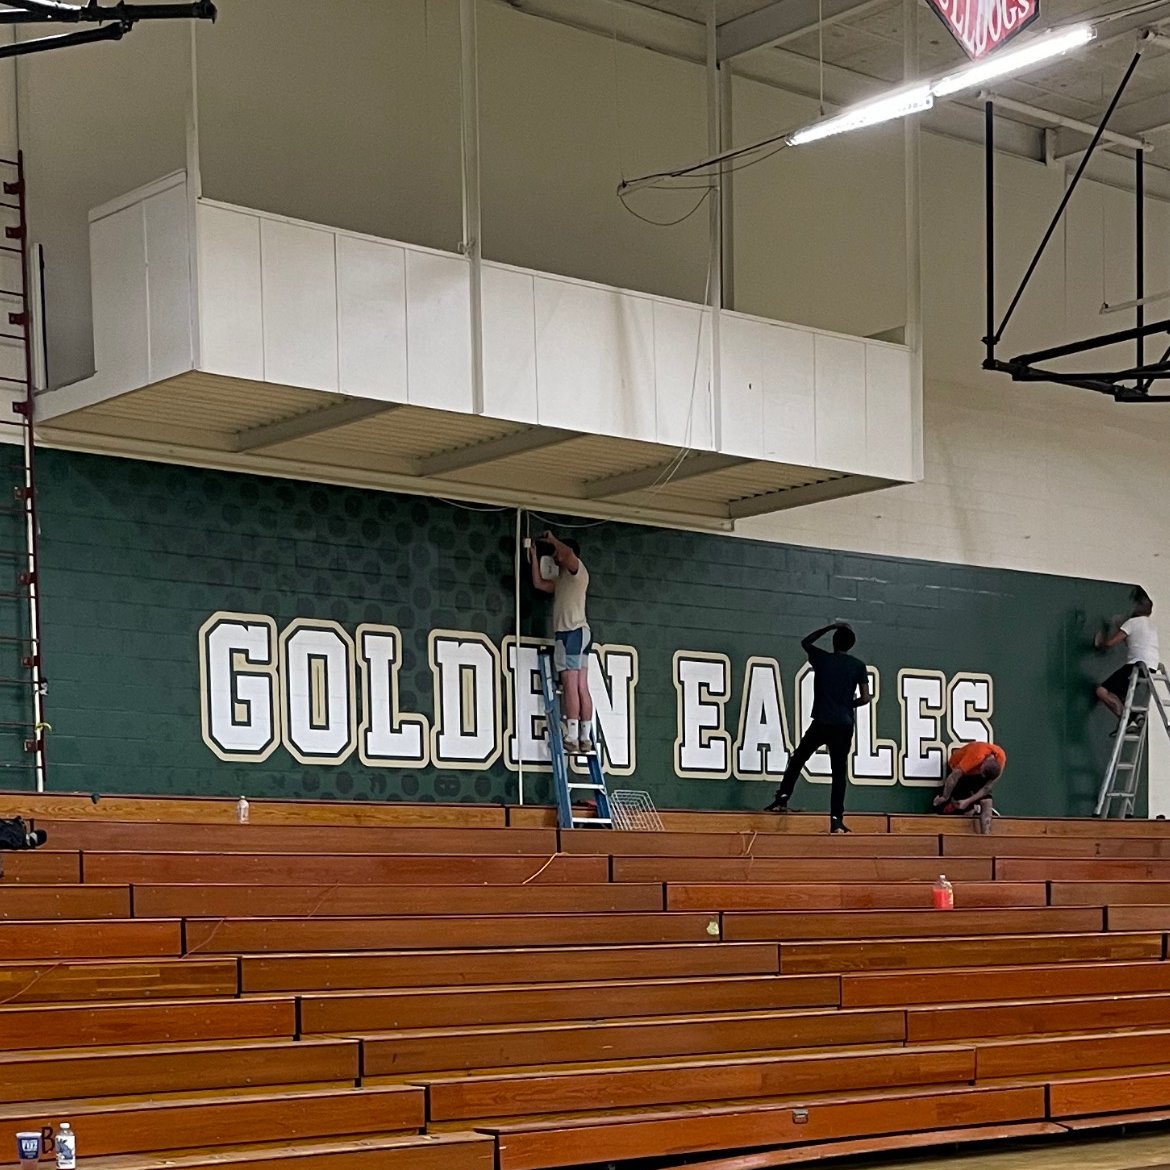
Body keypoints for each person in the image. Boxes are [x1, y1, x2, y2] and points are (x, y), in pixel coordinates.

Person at [765, 622, 870, 834]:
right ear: (851, 645)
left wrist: (829, 627)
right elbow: (866, 697)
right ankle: (836, 820)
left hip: (822, 721)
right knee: (838, 773)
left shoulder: (823, 659)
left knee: (798, 759)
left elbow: (806, 642)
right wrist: (848, 704)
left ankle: (782, 798)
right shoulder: (858, 666)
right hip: (843, 724)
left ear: (833, 641)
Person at [528, 530, 594, 753]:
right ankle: (585, 736)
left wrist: (553, 539)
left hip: (571, 632)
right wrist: (534, 555)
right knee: (581, 685)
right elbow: (538, 584)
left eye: (558, 553)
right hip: (580, 633)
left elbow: (567, 554)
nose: (556, 557)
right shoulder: (563, 580)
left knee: (571, 685)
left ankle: (574, 735)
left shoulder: (577, 571)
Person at [1094, 588, 1160, 732]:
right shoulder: (1150, 626)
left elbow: (1111, 643)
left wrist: (1101, 642)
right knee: (1119, 694)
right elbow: (1133, 642)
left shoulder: (1132, 623)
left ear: (1137, 607)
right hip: (1151, 667)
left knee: (1102, 691)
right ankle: (1136, 716)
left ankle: (1127, 721)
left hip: (1137, 665)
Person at [934, 741, 1005, 834]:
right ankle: (965, 833)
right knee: (964, 809)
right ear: (982, 765)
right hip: (959, 771)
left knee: (987, 804)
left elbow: (987, 788)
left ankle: (987, 836)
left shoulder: (1001, 758)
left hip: (977, 774)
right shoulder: (975, 756)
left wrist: (968, 801)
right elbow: (954, 776)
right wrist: (945, 796)